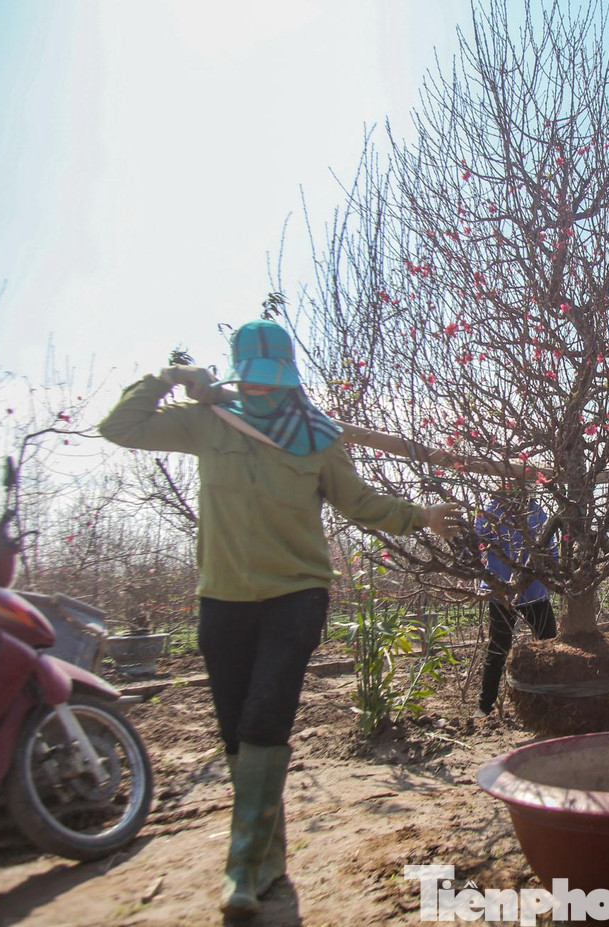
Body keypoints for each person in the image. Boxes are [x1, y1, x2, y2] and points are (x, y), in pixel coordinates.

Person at [98, 319, 462, 918]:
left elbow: (359, 502)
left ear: (288, 377)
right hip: (223, 598)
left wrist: (421, 516)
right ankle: (269, 863)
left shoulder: (317, 436)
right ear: (240, 374)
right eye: (255, 380)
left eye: (273, 380)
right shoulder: (208, 420)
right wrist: (165, 378)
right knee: (237, 731)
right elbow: (120, 428)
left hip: (296, 595)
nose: (264, 390)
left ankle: (240, 871)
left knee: (266, 720)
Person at [474, 483, 558, 718]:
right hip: (514, 591)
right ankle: (484, 706)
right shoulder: (492, 514)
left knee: (542, 644)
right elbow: (475, 547)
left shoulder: (528, 511)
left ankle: (485, 707)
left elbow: (550, 547)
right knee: (508, 647)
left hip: (524, 590)